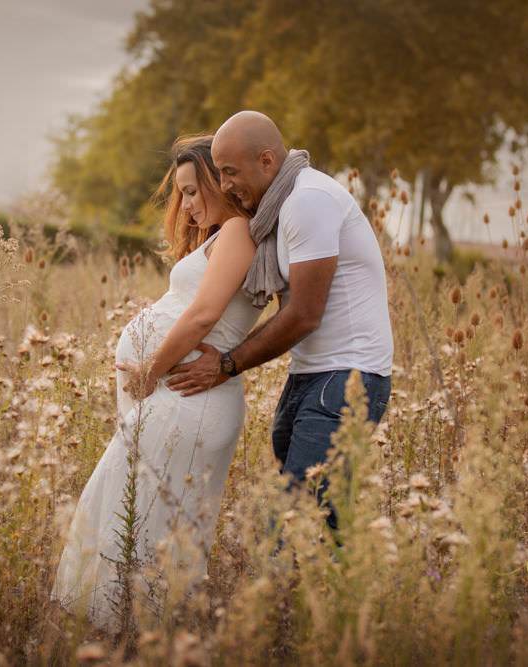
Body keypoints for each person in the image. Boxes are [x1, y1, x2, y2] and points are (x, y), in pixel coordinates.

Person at [51, 135, 264, 631]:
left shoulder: (237, 232)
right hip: (178, 396)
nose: (187, 206)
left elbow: (203, 316)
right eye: (182, 194)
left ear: (221, 180)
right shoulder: (222, 236)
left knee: (149, 523)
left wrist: (149, 372)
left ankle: (136, 634)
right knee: (137, 513)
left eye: (194, 191)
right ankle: (130, 633)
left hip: (187, 398)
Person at [165, 110, 393, 534]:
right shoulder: (280, 207)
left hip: (347, 377)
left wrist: (226, 363)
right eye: (219, 173)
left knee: (293, 525)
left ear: (267, 161)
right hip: (311, 374)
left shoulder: (308, 201)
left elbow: (305, 313)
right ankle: (335, 595)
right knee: (321, 522)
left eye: (231, 172)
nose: (226, 184)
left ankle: (319, 594)